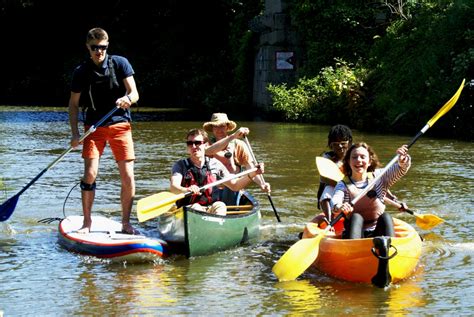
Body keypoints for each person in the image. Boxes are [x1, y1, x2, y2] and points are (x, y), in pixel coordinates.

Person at [68, 27, 139, 234]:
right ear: (87, 48)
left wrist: (127, 98)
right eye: (95, 48)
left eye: (103, 47)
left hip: (120, 125)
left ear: (107, 46)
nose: (99, 51)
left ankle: (125, 223)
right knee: (90, 174)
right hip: (93, 127)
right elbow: (73, 104)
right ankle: (87, 223)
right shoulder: (81, 72)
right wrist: (74, 134)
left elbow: (134, 93)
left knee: (128, 176)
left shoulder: (120, 63)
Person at [170, 129, 264, 215]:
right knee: (196, 207)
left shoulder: (215, 164)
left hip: (210, 207)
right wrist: (187, 189)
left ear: (205, 145)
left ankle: (218, 228)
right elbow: (174, 187)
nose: (194, 146)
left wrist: (253, 174)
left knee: (220, 205)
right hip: (187, 209)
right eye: (190, 143)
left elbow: (235, 186)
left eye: (198, 143)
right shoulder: (180, 165)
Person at [331, 143, 411, 239]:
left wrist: (402, 160)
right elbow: (335, 201)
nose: (358, 160)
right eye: (354, 157)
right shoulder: (343, 184)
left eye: (363, 157)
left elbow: (400, 169)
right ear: (348, 161)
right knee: (356, 217)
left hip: (377, 231)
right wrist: (340, 207)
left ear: (369, 161)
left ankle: (389, 246)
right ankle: (355, 249)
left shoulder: (379, 177)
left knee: (386, 216)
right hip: (353, 233)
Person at [203, 113, 270, 205]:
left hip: (233, 187)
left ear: (227, 127)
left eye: (222, 126)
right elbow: (208, 151)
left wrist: (262, 184)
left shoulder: (239, 144)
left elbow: (251, 168)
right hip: (213, 186)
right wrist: (233, 136)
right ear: (212, 128)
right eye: (215, 126)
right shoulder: (207, 145)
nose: (219, 129)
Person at [315, 124, 353, 223]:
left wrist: (390, 196)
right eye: (336, 144)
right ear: (331, 145)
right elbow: (324, 180)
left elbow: (371, 175)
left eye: (343, 143)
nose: (340, 146)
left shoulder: (355, 156)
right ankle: (329, 219)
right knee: (327, 190)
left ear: (349, 142)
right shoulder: (327, 159)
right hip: (335, 187)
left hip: (353, 186)